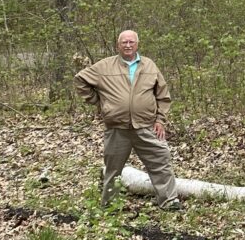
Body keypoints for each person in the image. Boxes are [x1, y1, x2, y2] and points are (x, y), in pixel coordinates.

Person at [74, 30, 181, 209]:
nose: (128, 45)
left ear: (137, 44)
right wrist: (98, 101)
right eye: (124, 42)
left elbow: (163, 95)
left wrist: (160, 120)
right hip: (117, 129)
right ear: (118, 45)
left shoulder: (149, 66)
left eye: (131, 42)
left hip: (146, 127)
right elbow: (80, 80)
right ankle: (110, 207)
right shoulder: (105, 66)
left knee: (161, 162)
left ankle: (169, 202)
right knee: (113, 169)